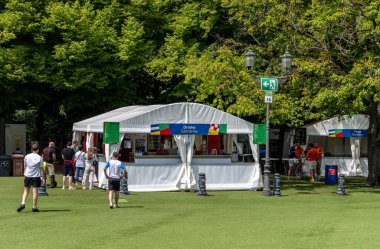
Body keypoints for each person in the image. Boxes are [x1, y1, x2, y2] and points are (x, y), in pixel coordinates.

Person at [17, 144, 45, 212]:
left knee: (26, 191)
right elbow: (41, 169)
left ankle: (23, 203)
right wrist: (43, 178)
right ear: (38, 150)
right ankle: (34, 207)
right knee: (35, 192)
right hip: (36, 176)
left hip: (28, 175)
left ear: (32, 149)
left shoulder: (27, 156)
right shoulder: (39, 157)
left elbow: (25, 166)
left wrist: (25, 173)